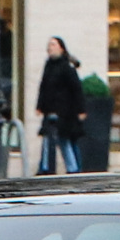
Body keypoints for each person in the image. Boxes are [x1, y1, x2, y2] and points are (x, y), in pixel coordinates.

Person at [33, 37, 84, 175]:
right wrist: (39, 105)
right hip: (49, 110)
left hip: (65, 111)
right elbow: (43, 86)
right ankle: (44, 166)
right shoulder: (48, 65)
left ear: (61, 48)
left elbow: (76, 89)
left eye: (53, 44)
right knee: (46, 138)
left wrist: (81, 109)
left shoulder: (66, 66)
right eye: (49, 44)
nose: (50, 47)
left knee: (64, 139)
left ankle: (72, 168)